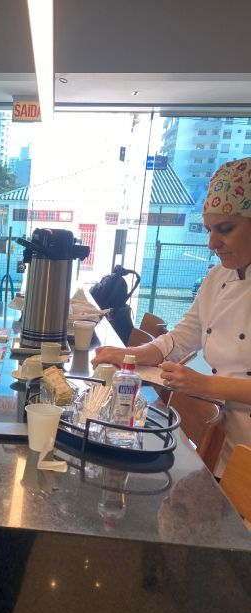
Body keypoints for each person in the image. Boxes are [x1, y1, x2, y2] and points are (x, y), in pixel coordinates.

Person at [93, 157, 251, 476]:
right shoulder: (217, 277)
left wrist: (205, 385)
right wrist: (129, 355)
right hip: (221, 449)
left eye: (226, 229)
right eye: (208, 230)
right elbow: (179, 340)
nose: (212, 243)